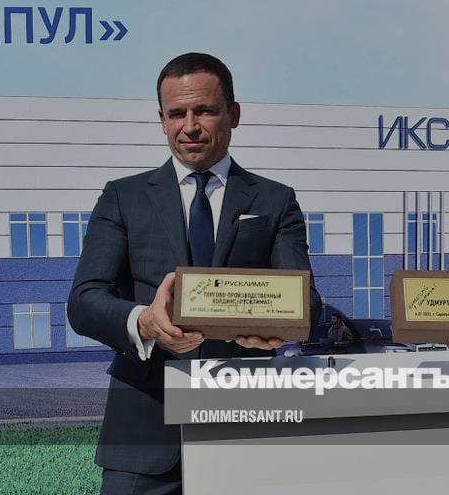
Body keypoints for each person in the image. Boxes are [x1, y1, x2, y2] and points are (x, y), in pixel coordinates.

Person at [67, 52, 323, 494]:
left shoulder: (275, 201)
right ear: (162, 120)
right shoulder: (123, 198)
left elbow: (308, 304)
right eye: (176, 114)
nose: (190, 126)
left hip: (246, 434)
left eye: (204, 110)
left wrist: (277, 327)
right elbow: (84, 301)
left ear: (233, 114)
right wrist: (145, 322)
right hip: (143, 436)